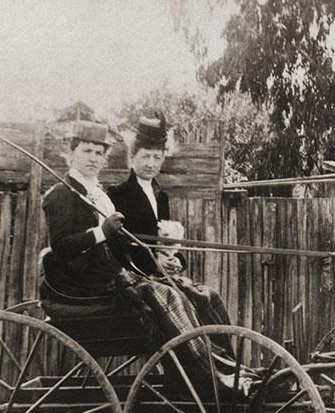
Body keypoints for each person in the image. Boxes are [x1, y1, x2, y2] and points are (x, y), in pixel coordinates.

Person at [40, 120, 236, 388]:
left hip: (114, 273)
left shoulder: (97, 194)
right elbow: (60, 246)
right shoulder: (61, 195)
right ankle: (207, 376)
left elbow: (121, 248)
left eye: (99, 153)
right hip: (86, 283)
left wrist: (152, 262)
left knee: (200, 294)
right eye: (87, 151)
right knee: (169, 296)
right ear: (72, 152)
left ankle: (227, 367)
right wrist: (101, 232)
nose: (94, 158)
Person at [107, 117, 233, 332]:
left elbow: (165, 242)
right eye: (145, 156)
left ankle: (227, 362)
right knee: (182, 303)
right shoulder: (118, 195)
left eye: (157, 157)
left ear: (163, 158)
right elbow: (120, 248)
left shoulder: (161, 196)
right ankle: (198, 361)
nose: (150, 163)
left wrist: (175, 260)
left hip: (162, 276)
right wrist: (154, 263)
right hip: (138, 278)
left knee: (209, 296)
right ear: (132, 157)